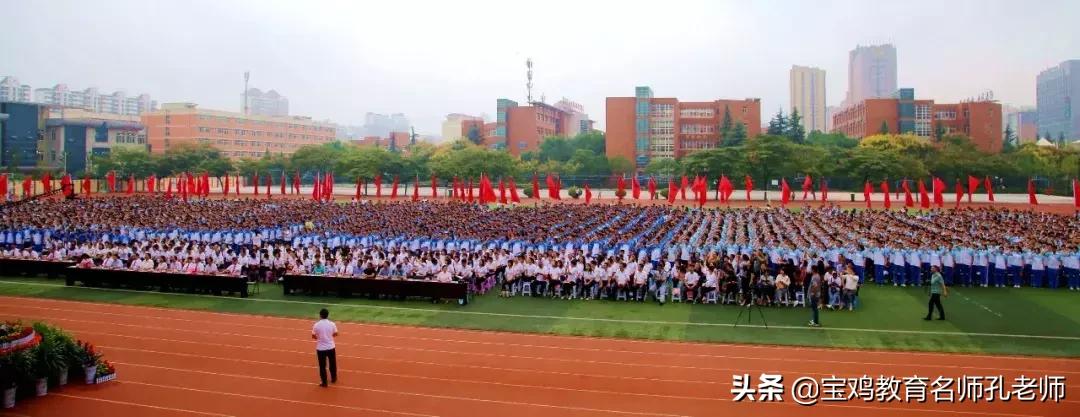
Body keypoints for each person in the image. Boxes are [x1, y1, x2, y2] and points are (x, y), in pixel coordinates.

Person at [312, 308, 338, 387]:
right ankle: (333, 378)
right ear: (327, 315)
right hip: (331, 347)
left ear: (320, 315)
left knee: (322, 366)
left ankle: (324, 382)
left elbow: (313, 335)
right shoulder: (332, 324)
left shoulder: (316, 325)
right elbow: (336, 333)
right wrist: (330, 337)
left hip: (321, 348)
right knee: (332, 364)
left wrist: (319, 338)